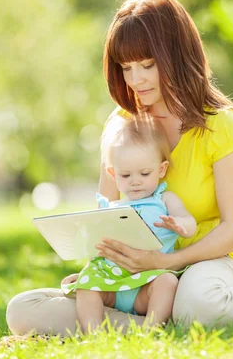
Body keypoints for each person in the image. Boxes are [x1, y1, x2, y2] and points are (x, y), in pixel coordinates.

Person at [6, 0, 233, 336]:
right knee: (23, 309)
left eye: (147, 64)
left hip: (206, 262)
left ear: (177, 55)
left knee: (198, 303)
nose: (136, 80)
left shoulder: (220, 125)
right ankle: (158, 326)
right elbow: (107, 218)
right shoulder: (121, 126)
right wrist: (94, 271)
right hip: (136, 276)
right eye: (126, 67)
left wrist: (165, 263)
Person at [66, 114, 197, 333]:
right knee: (85, 285)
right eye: (125, 175)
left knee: (167, 283)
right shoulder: (111, 206)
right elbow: (97, 245)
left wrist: (180, 225)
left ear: (161, 170)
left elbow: (189, 221)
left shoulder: (163, 199)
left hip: (146, 283)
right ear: (113, 174)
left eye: (144, 173)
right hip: (111, 283)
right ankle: (93, 334)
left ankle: (151, 329)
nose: (135, 181)